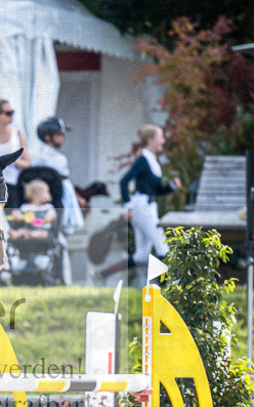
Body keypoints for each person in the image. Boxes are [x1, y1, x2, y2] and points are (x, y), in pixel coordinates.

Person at [93, 124, 181, 283]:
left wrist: (171, 186)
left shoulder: (152, 161)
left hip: (149, 206)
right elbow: (124, 181)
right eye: (160, 137)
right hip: (142, 208)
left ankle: (102, 274)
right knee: (162, 246)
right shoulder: (143, 160)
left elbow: (157, 189)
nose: (163, 140)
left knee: (141, 255)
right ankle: (166, 287)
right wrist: (127, 207)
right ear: (150, 140)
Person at [33, 117, 84, 229]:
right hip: (50, 197)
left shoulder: (60, 157)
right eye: (59, 134)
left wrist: (76, 197)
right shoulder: (40, 157)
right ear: (48, 137)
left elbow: (66, 181)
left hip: (62, 196)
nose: (63, 137)